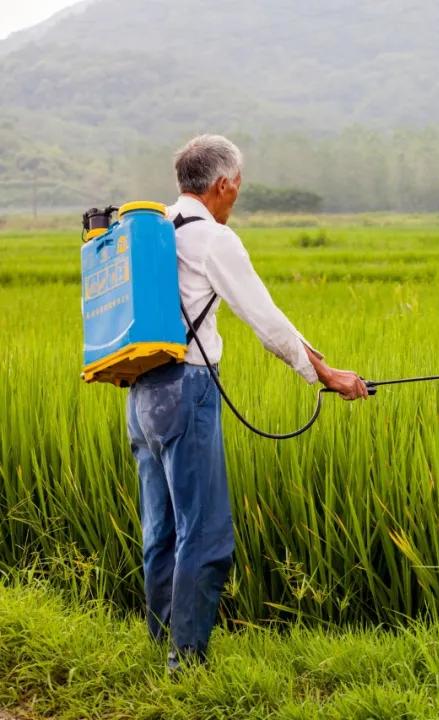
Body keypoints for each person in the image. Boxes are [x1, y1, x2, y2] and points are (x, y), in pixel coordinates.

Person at [125, 134, 367, 672]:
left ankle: (161, 641)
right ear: (224, 183)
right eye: (238, 184)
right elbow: (266, 320)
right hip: (187, 390)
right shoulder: (213, 239)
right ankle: (185, 663)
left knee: (161, 528)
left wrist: (318, 365)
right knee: (206, 534)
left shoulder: (156, 228)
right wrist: (322, 374)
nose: (238, 194)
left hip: (141, 394)